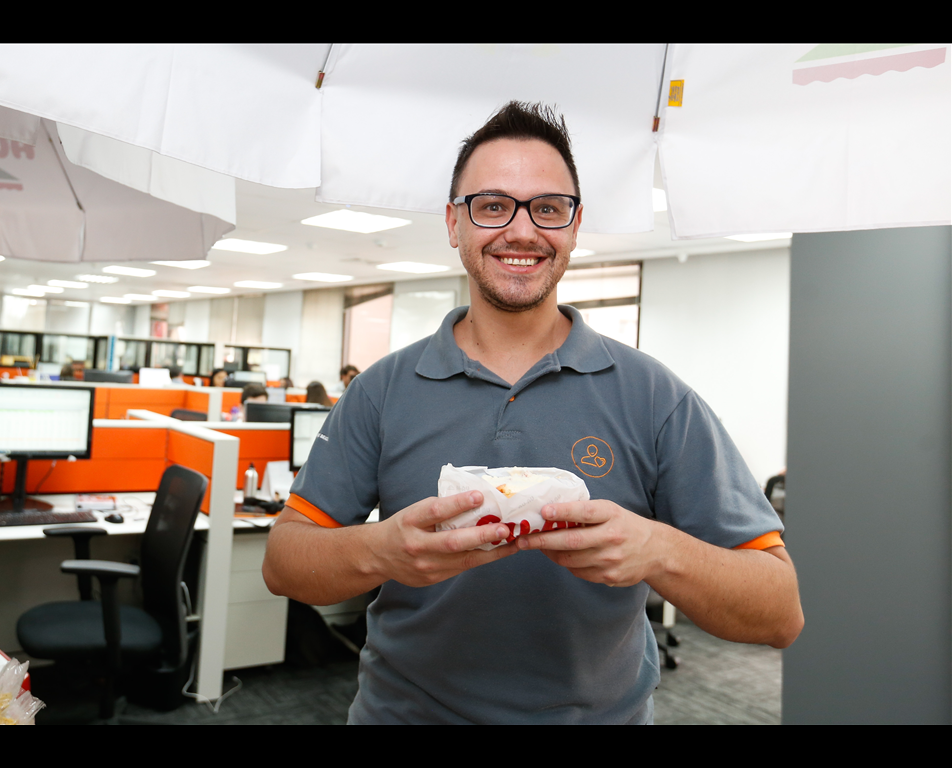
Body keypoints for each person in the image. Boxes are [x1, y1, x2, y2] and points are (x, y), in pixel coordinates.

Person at [262, 102, 803, 724]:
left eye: (547, 208)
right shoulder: (381, 390)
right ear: (453, 223)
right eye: (492, 205)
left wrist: (657, 549)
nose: (522, 231)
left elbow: (780, 613)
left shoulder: (655, 396)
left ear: (574, 225)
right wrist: (382, 551)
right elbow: (284, 563)